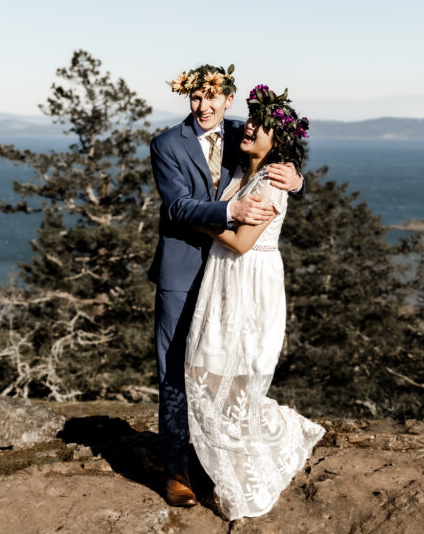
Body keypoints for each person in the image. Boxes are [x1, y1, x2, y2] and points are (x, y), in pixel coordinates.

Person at [147, 65, 303, 508]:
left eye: (212, 98)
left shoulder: (243, 131)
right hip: (183, 273)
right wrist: (229, 212)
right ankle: (176, 470)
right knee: (176, 371)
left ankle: (214, 460)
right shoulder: (166, 145)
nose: (204, 107)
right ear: (187, 98)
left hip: (232, 279)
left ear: (228, 99)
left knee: (224, 373)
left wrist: (299, 181)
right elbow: (177, 207)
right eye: (195, 98)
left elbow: (275, 168)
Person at [185, 84, 324, 520]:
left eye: (261, 126)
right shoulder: (245, 171)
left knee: (229, 376)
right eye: (251, 119)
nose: (250, 127)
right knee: (209, 371)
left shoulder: (273, 180)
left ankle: (242, 473)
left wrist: (199, 216)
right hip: (224, 279)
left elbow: (243, 243)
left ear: (277, 142)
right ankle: (230, 460)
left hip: (247, 281)